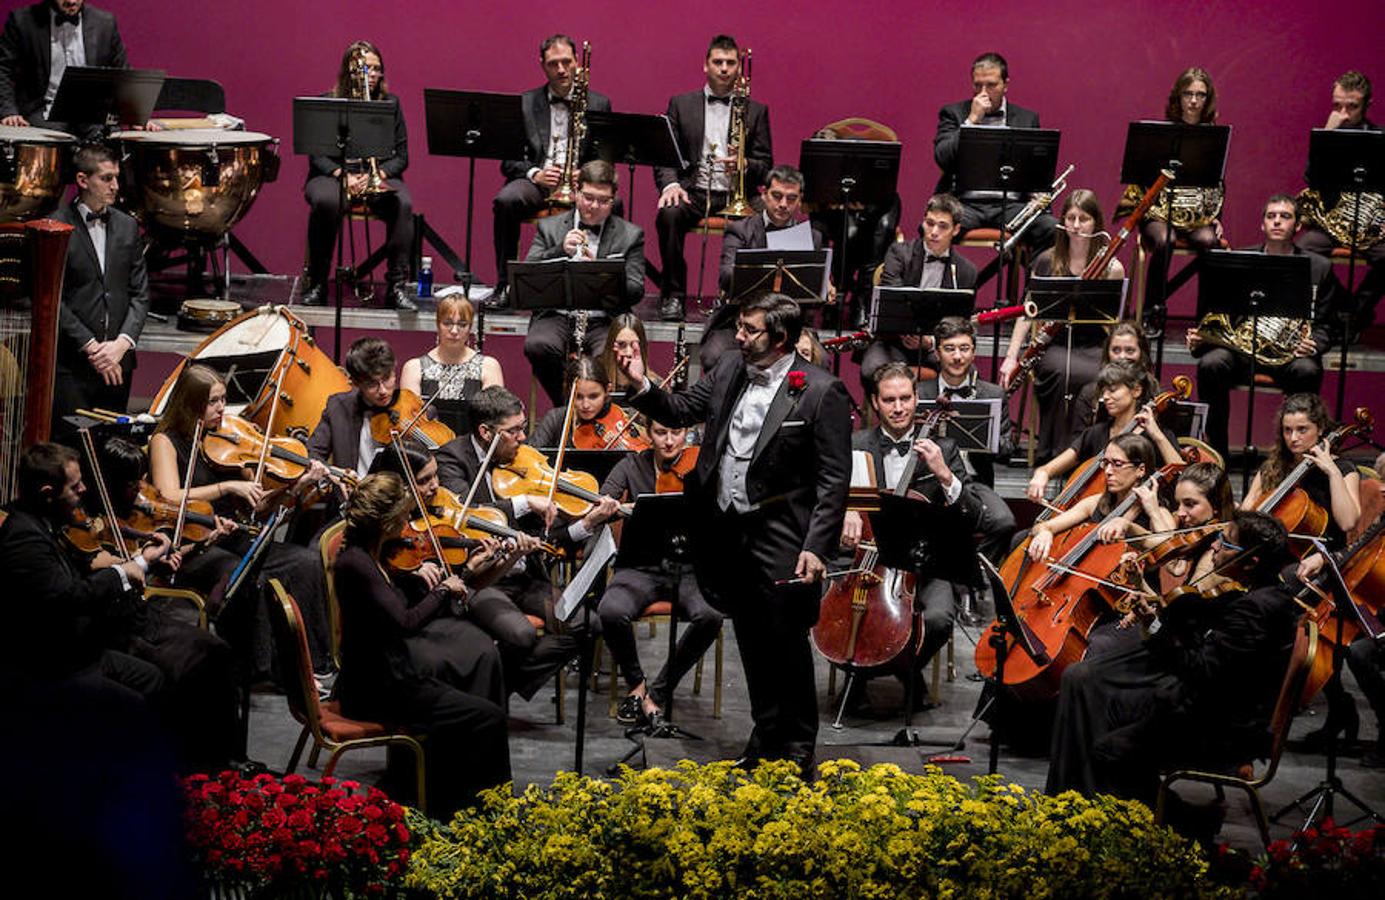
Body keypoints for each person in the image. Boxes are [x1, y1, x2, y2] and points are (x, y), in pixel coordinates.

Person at [615, 292, 852, 775]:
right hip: (727, 531)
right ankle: (765, 737)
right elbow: (680, 409)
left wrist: (816, 546)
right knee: (751, 641)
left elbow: (833, 480)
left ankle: (799, 747)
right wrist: (641, 381)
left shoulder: (820, 392)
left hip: (783, 536)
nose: (738, 337)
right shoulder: (727, 369)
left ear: (780, 338)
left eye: (749, 330)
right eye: (739, 328)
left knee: (786, 644)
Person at [1047, 511, 1298, 841]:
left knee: (1105, 734)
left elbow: (1201, 671)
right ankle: (1090, 811)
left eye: (1225, 543)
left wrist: (1154, 628)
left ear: (1250, 562)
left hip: (1222, 729)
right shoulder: (1265, 595)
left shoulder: (1255, 610)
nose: (1215, 549)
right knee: (1091, 689)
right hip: (1216, 707)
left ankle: (1176, 825)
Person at [333, 472, 511, 819]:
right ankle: (483, 812)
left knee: (463, 698)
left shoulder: (372, 555)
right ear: (385, 522)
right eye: (403, 516)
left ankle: (450, 800)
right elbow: (406, 621)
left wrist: (464, 573)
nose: (408, 522)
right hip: (378, 688)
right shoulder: (357, 564)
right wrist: (444, 589)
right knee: (487, 717)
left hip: (391, 673)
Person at [149, 364, 335, 680]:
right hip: (193, 544)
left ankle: (312, 667)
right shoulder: (165, 441)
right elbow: (168, 495)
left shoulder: (228, 442)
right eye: (213, 402)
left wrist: (293, 487)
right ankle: (258, 667)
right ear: (189, 403)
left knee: (305, 563)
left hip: (234, 536)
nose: (222, 408)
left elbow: (257, 505)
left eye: (223, 399)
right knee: (242, 577)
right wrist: (226, 487)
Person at [434, 386, 620, 699]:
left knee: (587, 624)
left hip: (526, 575)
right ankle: (487, 692)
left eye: (523, 428)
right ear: (485, 431)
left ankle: (492, 690)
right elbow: (463, 513)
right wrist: (524, 502)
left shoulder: (523, 462)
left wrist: (587, 523)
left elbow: (546, 538)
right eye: (514, 431)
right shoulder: (452, 458)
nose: (523, 438)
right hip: (484, 579)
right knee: (521, 636)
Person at [839, 362, 970, 711]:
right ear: (874, 402)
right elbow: (828, 494)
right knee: (839, 613)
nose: (899, 408)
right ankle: (886, 675)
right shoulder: (856, 444)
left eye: (906, 398)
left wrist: (944, 474)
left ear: (917, 399)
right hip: (869, 560)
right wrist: (849, 509)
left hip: (924, 564)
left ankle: (885, 672)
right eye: (890, 400)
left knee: (940, 618)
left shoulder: (944, 448)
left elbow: (970, 512)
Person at [1187, 195, 1341, 459]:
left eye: (1285, 216)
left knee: (1307, 369)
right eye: (1271, 216)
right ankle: (1216, 455)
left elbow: (1327, 324)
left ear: (1298, 226)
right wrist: (1206, 337)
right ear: (1262, 225)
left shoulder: (1319, 267)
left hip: (1289, 354)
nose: (1277, 221)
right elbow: (1220, 312)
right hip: (1242, 351)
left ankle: (1292, 458)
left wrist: (1313, 343)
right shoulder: (1240, 260)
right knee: (1212, 364)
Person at [365, 441, 515, 708]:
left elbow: (449, 589)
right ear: (398, 485)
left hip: (432, 615)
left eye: (436, 475)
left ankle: (480, 729)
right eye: (424, 480)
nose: (436, 486)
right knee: (469, 652)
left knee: (484, 649)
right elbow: (393, 600)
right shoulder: (377, 530)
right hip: (395, 631)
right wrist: (411, 572)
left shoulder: (427, 522)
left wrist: (469, 570)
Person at [596, 419, 723, 725]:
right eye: (660, 433)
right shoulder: (631, 464)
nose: (668, 441)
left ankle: (659, 693)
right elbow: (607, 493)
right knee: (610, 610)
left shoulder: (701, 466)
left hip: (690, 568)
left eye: (676, 433)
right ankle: (637, 686)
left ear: (686, 434)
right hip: (640, 567)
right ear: (648, 434)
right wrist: (609, 504)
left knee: (711, 616)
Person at [653, 34, 772, 322]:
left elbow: (767, 164)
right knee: (669, 214)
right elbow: (666, 155)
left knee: (773, 220)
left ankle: (751, 300)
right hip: (694, 191)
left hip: (736, 193)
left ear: (739, 69)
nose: (723, 68)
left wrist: (744, 164)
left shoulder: (756, 110)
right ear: (705, 65)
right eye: (717, 62)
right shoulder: (681, 104)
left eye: (730, 63)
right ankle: (674, 295)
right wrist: (670, 185)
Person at [1001, 189, 1125, 461]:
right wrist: (1011, 357)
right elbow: (1027, 312)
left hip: (1094, 345)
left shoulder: (1111, 267)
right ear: (1062, 222)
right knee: (1060, 372)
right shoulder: (1046, 260)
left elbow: (1115, 322)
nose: (1077, 226)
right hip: (1055, 344)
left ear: (1096, 223)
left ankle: (1087, 456)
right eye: (1070, 218)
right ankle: (1054, 454)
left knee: (1097, 378)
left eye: (1084, 218)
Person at [490, 33, 613, 308]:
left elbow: (604, 160)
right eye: (553, 63)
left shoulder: (599, 103)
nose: (561, 70)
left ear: (577, 63)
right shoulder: (525, 103)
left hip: (580, 184)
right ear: (542, 65)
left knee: (615, 205)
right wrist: (536, 173)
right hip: (537, 182)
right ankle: (505, 284)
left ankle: (602, 286)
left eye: (566, 62)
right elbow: (508, 161)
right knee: (506, 200)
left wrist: (587, 173)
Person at [300, 40, 415, 311]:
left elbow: (402, 156)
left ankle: (396, 287)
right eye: (366, 69)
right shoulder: (328, 102)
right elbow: (317, 155)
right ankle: (317, 283)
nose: (372, 75)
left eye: (377, 69)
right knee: (327, 202)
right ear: (349, 72)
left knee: (403, 204)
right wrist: (343, 175)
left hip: (377, 173)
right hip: (333, 175)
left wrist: (380, 174)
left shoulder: (390, 104)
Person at [522, 159, 645, 405]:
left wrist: (600, 269)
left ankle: (596, 413)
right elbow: (528, 273)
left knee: (614, 354)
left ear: (613, 200)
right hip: (557, 314)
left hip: (603, 318)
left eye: (603, 201)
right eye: (588, 197)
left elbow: (636, 289)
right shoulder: (550, 227)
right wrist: (558, 250)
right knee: (537, 344)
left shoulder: (630, 235)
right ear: (576, 191)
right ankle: (568, 406)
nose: (594, 206)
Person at [50, 143, 148, 441]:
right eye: (106, 178)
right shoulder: (56, 226)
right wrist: (92, 347)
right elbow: (53, 299)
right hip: (74, 364)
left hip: (119, 362)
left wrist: (120, 345)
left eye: (116, 177)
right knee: (74, 449)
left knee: (112, 450)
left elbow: (140, 295)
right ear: (83, 180)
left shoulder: (128, 226)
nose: (115, 186)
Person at [1120, 67, 1224, 333]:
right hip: (1158, 211)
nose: (1193, 100)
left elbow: (1216, 183)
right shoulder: (1159, 135)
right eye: (1188, 93)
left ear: (1207, 99)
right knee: (1165, 241)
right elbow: (1142, 177)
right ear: (1178, 97)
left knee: (1210, 242)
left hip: (1195, 215)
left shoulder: (1213, 136)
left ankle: (1206, 319)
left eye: (1200, 95)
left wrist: (1216, 218)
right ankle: (1152, 311)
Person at [708, 165, 828, 369]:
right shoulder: (740, 230)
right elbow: (727, 276)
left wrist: (824, 286)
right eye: (777, 196)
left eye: (791, 198)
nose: (783, 204)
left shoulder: (812, 237)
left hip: (791, 325)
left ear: (800, 200)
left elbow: (813, 298)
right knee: (715, 356)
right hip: (742, 319)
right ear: (764, 195)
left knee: (820, 362)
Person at [917, 317, 1017, 563]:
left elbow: (1007, 448)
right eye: (949, 349)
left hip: (974, 482)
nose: (957, 356)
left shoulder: (993, 394)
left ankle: (972, 572)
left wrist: (986, 438)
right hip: (929, 479)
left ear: (973, 352)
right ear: (937, 352)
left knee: (1005, 523)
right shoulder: (918, 392)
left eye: (964, 348)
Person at [933, 52, 1054, 252]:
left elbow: (1035, 167)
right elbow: (943, 159)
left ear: (1006, 85)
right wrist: (971, 121)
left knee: (1049, 228)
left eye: (991, 85)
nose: (983, 92)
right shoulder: (953, 113)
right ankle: (944, 282)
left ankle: (1031, 284)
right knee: (933, 227)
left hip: (1011, 205)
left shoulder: (1027, 119)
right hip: (964, 204)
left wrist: (1036, 192)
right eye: (977, 85)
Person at [861, 193, 979, 394]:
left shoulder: (967, 271)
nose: (934, 232)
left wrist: (930, 341)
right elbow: (894, 298)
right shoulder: (899, 253)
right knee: (872, 369)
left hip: (935, 346)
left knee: (968, 374)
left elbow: (960, 324)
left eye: (943, 226)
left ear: (956, 230)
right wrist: (908, 331)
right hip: (893, 340)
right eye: (929, 223)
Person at [1295, 70, 1382, 341]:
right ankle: (1346, 308)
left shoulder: (1379, 138)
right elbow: (1311, 178)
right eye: (1337, 105)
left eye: (1352, 106)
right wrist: (1328, 135)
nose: (1343, 112)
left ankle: (1357, 311)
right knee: (1304, 251)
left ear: (1367, 106)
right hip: (1332, 221)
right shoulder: (1326, 135)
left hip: (1371, 224)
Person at [1027, 361, 1182, 503]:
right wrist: (1042, 475)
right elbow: (1049, 468)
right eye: (1104, 391)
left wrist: (1157, 436)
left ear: (1136, 391)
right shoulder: (1095, 433)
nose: (1106, 397)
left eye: (1113, 390)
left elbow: (1181, 476)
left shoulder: (1158, 435)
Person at [1242, 393, 1360, 548]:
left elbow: (1347, 523)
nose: (1293, 438)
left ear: (1320, 429)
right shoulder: (1272, 467)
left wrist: (1333, 473)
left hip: (1320, 556)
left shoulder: (1343, 469)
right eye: (1287, 430)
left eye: (1302, 430)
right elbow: (1247, 511)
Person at [0, 1, 127, 130]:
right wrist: (8, 111)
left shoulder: (105, 22)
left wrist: (137, 116)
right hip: (44, 112)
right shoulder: (22, 21)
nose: (71, 1)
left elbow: (123, 73)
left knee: (108, 136)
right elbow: (3, 69)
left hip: (93, 114)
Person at [399, 295, 503, 436]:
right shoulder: (413, 368)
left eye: (462, 324)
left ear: (470, 328)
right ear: (437, 325)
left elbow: (493, 422)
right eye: (447, 323)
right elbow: (410, 426)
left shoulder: (489, 366)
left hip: (472, 452)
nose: (454, 331)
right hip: (427, 451)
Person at [307, 336, 403, 480]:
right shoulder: (338, 407)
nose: (383, 390)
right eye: (372, 384)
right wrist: (333, 473)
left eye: (387, 378)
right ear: (355, 383)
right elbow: (313, 454)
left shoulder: (412, 409)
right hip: (350, 498)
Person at [531, 355, 648, 450]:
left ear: (608, 390)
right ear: (569, 392)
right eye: (578, 397)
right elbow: (529, 454)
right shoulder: (556, 418)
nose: (585, 405)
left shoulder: (623, 415)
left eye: (593, 397)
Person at [1072, 322, 1159, 432]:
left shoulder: (1154, 394)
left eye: (1130, 350)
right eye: (1116, 350)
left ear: (1142, 354)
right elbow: (1078, 439)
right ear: (1107, 354)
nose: (1122, 357)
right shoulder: (1090, 393)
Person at [597, 313, 661, 403]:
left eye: (634, 345)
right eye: (621, 345)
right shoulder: (596, 382)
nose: (628, 353)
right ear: (610, 346)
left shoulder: (656, 386)